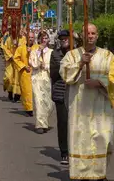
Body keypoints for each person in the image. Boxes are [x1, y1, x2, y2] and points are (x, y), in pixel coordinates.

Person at [60, 24, 114, 181]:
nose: (90, 36)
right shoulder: (72, 55)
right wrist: (80, 64)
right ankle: (81, 174)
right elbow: (64, 73)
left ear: (97, 36)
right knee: (81, 140)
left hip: (101, 106)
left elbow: (112, 76)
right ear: (82, 36)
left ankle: (98, 173)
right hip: (79, 105)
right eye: (87, 33)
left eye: (93, 33)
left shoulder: (108, 56)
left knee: (103, 138)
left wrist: (99, 82)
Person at [49, 29, 71, 165]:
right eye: (62, 39)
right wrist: (64, 64)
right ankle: (64, 151)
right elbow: (53, 74)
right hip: (60, 91)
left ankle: (75, 150)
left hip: (75, 92)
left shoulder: (76, 52)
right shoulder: (55, 54)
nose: (64, 41)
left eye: (66, 38)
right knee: (63, 123)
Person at [29, 31, 54, 134]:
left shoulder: (51, 52)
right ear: (39, 40)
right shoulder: (34, 51)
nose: (44, 40)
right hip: (37, 79)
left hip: (47, 79)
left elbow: (54, 65)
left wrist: (47, 66)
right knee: (39, 102)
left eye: (46, 38)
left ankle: (45, 121)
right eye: (42, 38)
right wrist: (39, 60)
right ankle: (40, 124)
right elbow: (32, 63)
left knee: (49, 103)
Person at [13, 31, 35, 117]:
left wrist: (32, 51)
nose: (31, 39)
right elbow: (16, 59)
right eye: (29, 37)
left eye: (32, 37)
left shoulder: (37, 47)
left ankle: (35, 107)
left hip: (36, 73)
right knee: (27, 91)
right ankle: (29, 108)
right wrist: (24, 66)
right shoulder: (21, 48)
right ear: (26, 38)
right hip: (25, 73)